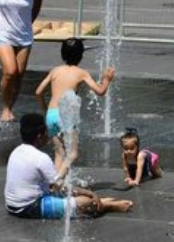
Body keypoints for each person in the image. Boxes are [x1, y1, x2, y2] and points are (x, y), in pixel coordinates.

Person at [4, 113, 133, 219]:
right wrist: (89, 192)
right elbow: (61, 187)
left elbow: (52, 185)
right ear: (39, 136)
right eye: (46, 133)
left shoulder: (16, 151)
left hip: (12, 205)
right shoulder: (41, 158)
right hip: (29, 207)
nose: (48, 136)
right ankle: (107, 206)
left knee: (75, 194)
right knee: (87, 203)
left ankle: (101, 201)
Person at [34, 38, 116, 172]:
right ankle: (58, 181)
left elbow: (38, 92)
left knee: (59, 153)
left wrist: (45, 109)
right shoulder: (81, 73)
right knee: (73, 154)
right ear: (81, 56)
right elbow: (100, 91)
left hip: (51, 115)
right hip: (66, 115)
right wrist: (106, 79)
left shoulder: (55, 71)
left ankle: (55, 185)